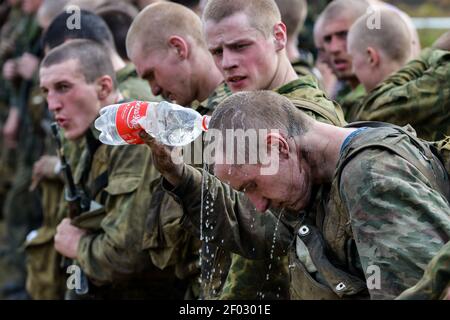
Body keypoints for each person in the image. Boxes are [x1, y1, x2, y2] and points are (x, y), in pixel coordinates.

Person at [142, 89, 450, 299]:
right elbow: (249, 225)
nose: (259, 204)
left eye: (251, 186)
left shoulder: (370, 177)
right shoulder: (308, 177)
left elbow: (429, 290)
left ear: (278, 147)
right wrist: (178, 175)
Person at [135, 0, 346, 299]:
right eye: (218, 52)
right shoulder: (246, 112)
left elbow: (265, 234)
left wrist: (184, 179)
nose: (228, 62)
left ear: (279, 37)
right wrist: (178, 173)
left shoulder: (305, 121)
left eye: (240, 46)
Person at [40, 39, 186, 299]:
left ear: (104, 87)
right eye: (46, 92)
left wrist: (78, 246)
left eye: (63, 88)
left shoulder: (131, 139)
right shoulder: (92, 133)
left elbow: (126, 256)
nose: (52, 104)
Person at [347, 9, 412, 93]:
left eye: (353, 58)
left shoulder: (382, 104)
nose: (353, 70)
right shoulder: (426, 90)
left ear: (371, 58)